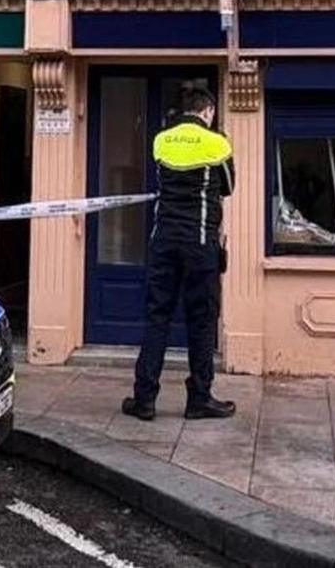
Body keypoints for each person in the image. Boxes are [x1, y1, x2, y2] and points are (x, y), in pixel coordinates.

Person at [122, 87, 236, 421]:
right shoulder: (217, 143)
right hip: (200, 244)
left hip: (163, 241)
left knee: (157, 317)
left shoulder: (161, 140)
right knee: (201, 320)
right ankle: (199, 398)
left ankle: (144, 398)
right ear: (209, 111)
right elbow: (228, 187)